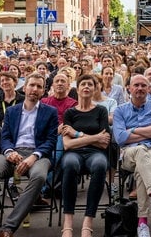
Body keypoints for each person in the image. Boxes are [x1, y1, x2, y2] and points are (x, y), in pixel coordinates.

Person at [0, 72, 57, 237]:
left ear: (44, 91)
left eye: (39, 86)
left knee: (39, 177)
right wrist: (9, 151)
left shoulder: (50, 112)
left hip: (38, 155)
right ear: (25, 87)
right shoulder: (12, 111)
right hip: (12, 152)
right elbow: (4, 136)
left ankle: (8, 228)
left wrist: (34, 156)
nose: (34, 89)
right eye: (32, 85)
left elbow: (50, 141)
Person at [112, 74, 151, 237]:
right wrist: (148, 132)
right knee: (140, 151)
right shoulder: (120, 110)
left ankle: (142, 224)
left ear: (148, 89)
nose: (140, 88)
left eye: (143, 86)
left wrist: (131, 131)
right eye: (136, 85)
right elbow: (119, 138)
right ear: (129, 88)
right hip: (129, 154)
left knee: (141, 171)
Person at [60, 74, 111, 237]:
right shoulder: (69, 113)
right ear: (78, 89)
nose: (87, 87)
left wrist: (77, 134)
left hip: (96, 153)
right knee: (69, 165)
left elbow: (104, 143)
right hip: (73, 153)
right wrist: (94, 137)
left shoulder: (101, 110)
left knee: (100, 165)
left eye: (90, 84)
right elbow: (67, 144)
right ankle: (68, 222)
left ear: (95, 89)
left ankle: (88, 221)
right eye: (83, 84)